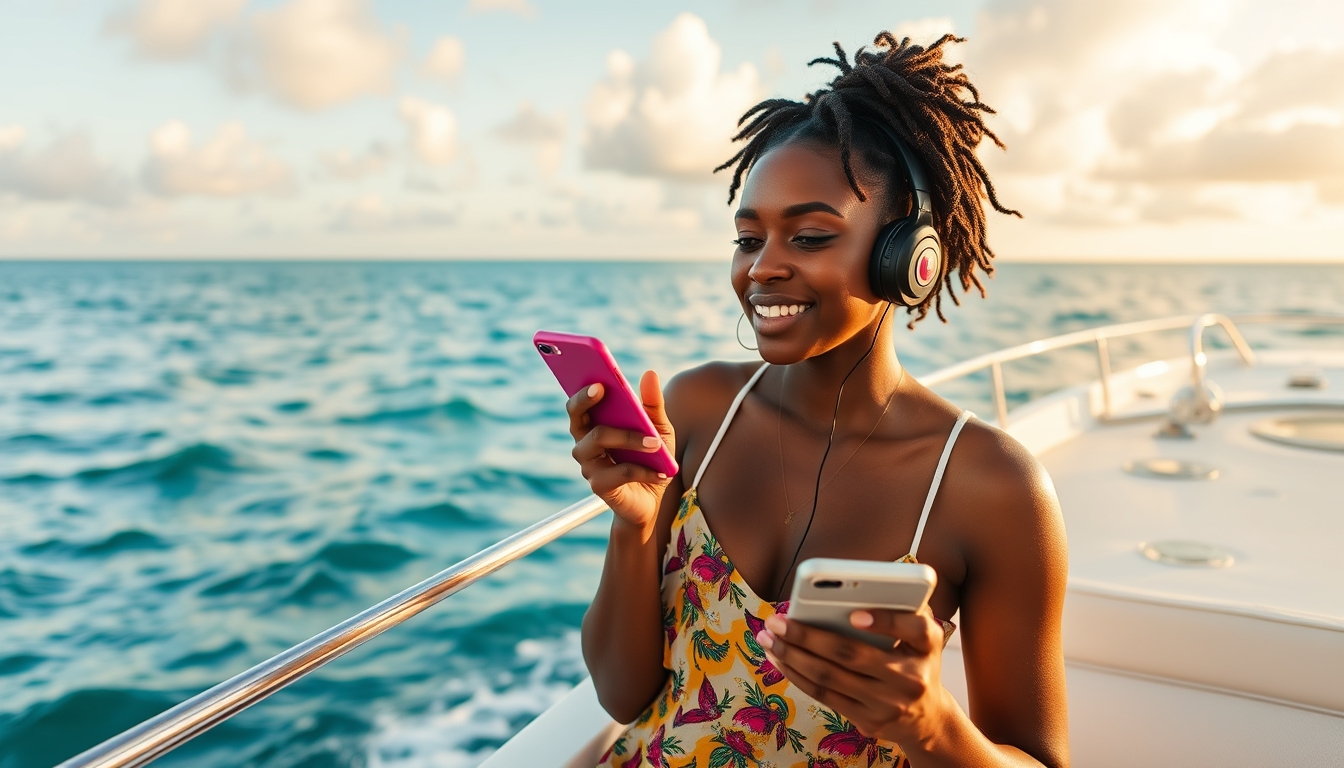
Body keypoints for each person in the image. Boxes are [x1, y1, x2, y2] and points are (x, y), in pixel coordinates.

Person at [568, 32, 1068, 768]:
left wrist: (933, 728)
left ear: (908, 257)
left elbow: (1038, 758)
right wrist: (636, 530)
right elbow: (623, 695)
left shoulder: (989, 485)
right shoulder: (700, 407)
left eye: (807, 236)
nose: (762, 269)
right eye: (748, 238)